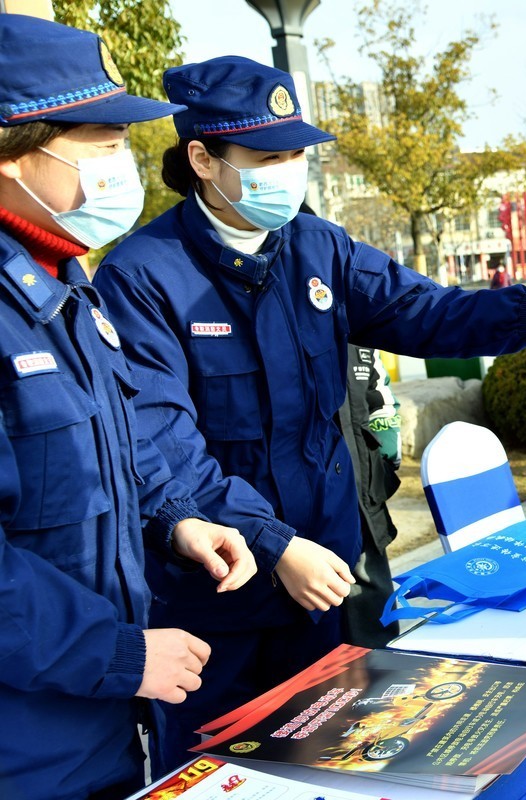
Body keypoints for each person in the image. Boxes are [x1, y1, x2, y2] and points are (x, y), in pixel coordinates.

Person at [90, 55, 526, 772]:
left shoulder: (317, 247)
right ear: (204, 160)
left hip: (325, 587)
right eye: (269, 156)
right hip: (219, 607)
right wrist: (275, 547)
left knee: (344, 764)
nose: (291, 171)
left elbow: (424, 311)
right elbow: (163, 448)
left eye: (298, 153)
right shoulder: (144, 277)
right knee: (224, 774)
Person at [0, 17, 256, 800]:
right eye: (98, 142)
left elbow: (110, 452)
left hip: (97, 728)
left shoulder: (62, 287)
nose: (124, 166)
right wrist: (116, 653)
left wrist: (178, 519)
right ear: (13, 149)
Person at [337, 345, 403, 648]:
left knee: (373, 607)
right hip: (304, 505)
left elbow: (380, 398)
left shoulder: (357, 328)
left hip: (363, 493)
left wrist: (385, 460)